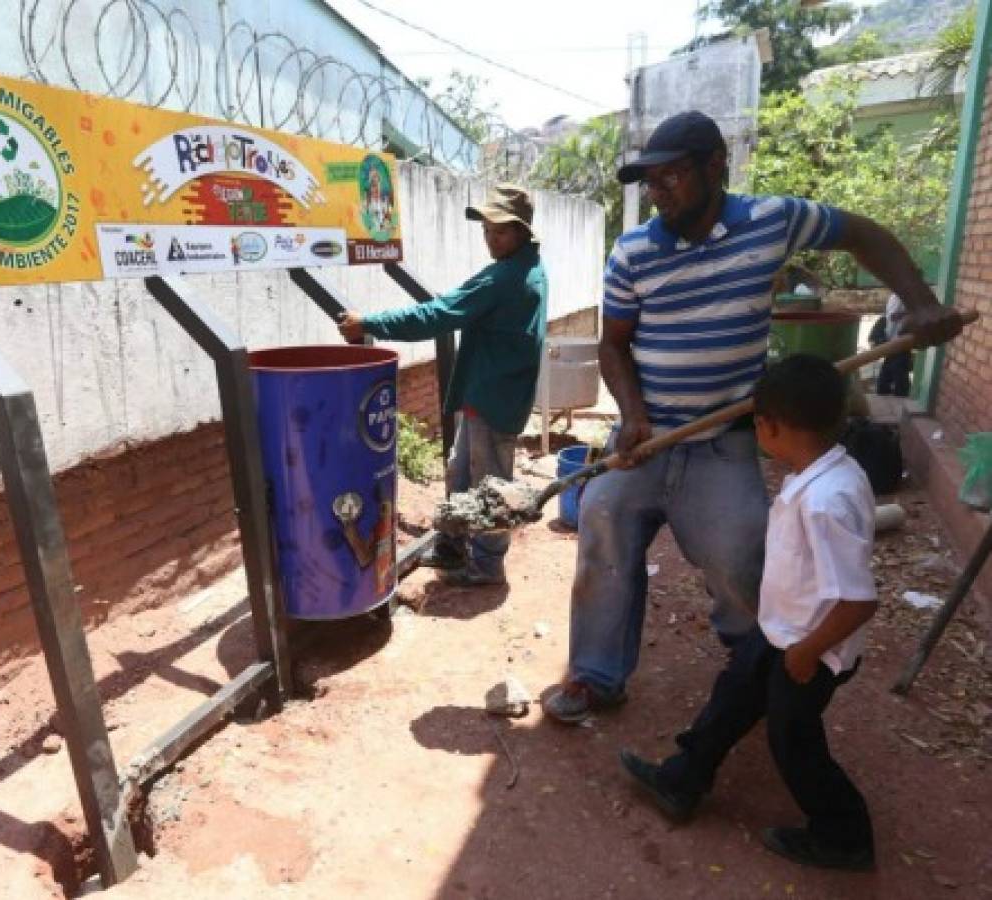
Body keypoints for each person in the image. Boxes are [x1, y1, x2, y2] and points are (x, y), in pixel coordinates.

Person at [544, 110, 962, 723]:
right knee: (603, 522)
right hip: (648, 435)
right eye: (651, 181)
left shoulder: (773, 221)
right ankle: (596, 676)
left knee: (742, 553)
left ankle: (758, 669)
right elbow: (614, 345)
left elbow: (862, 233)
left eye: (673, 176)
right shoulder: (633, 251)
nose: (658, 192)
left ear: (717, 166)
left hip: (724, 441)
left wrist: (921, 302)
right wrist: (632, 414)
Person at [619, 354, 877, 872]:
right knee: (735, 693)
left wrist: (805, 652)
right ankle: (683, 779)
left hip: (811, 649)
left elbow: (858, 600)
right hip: (783, 631)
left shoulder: (826, 501)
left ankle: (844, 836)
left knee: (794, 742)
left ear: (769, 426)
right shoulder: (823, 472)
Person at [338, 183, 547, 587]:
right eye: (487, 229)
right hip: (489, 393)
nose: (490, 238)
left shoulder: (505, 277)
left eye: (500, 231)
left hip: (495, 399)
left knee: (491, 488)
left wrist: (370, 324)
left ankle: (487, 566)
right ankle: (453, 545)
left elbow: (437, 315)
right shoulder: (528, 266)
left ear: (522, 232)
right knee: (459, 472)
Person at [876, 291, 912, 397]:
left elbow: (892, 316)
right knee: (897, 370)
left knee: (894, 368)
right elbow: (891, 316)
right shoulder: (896, 297)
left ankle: (888, 390)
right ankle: (896, 392)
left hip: (898, 339)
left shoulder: (902, 297)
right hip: (894, 339)